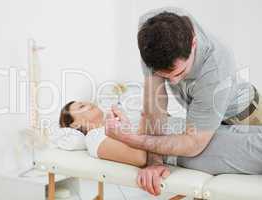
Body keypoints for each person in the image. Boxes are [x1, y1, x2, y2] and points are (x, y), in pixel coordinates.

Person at [136, 7, 262, 195]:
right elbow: (155, 106)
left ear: (194, 43)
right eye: (165, 76)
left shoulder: (217, 65)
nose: (175, 82)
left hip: (245, 114)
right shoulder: (150, 35)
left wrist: (136, 140)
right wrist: (154, 162)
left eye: (179, 73)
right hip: (201, 113)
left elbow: (194, 144)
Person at [59, 101, 262, 195]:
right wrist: (136, 122)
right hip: (189, 149)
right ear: (76, 125)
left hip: (197, 130)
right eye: (80, 108)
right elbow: (139, 157)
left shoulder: (114, 125)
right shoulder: (95, 138)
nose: (89, 104)